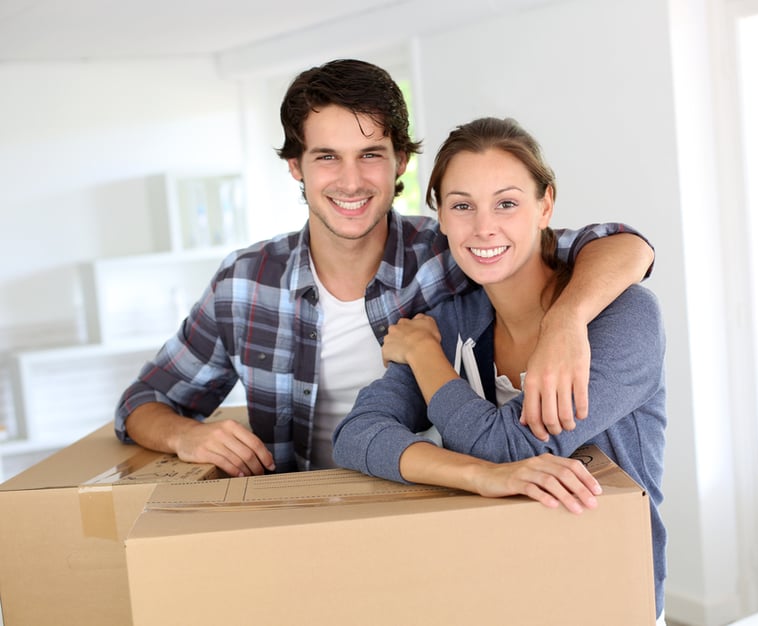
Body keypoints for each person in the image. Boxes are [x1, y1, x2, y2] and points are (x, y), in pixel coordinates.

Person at [115, 59, 655, 478]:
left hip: (419, 509)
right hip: (293, 515)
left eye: (370, 154)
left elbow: (619, 247)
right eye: (327, 156)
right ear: (294, 166)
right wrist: (188, 437)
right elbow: (143, 403)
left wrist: (565, 322)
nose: (351, 181)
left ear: (400, 161)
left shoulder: (453, 250)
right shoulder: (245, 283)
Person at [331, 117, 667, 621]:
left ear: (545, 206)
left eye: (506, 203)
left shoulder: (626, 315)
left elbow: (512, 445)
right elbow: (356, 434)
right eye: (462, 206)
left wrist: (425, 357)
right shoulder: (449, 318)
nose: (484, 228)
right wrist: (480, 477)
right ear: (440, 217)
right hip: (486, 592)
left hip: (606, 596)